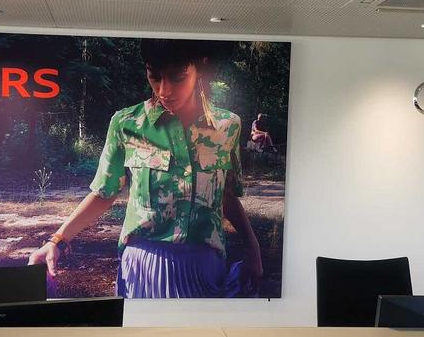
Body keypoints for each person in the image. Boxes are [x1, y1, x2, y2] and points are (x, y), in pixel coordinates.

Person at [28, 39, 262, 298]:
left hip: (206, 268)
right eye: (154, 76)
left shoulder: (227, 126)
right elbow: (104, 193)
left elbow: (226, 195)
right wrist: (57, 241)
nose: (164, 90)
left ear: (200, 68)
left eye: (177, 77)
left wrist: (253, 247)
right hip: (144, 268)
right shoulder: (126, 123)